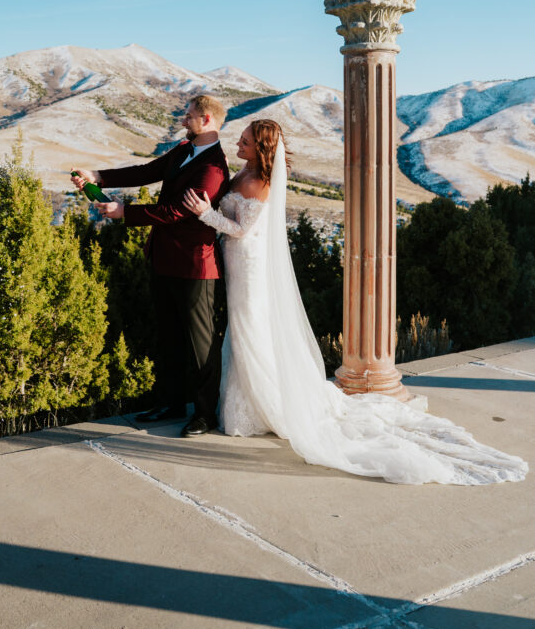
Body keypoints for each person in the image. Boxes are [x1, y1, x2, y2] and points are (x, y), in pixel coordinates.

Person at [182, 118, 528, 485]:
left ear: (263, 148)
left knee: (252, 330)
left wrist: (205, 214)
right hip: (237, 264)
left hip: (249, 267)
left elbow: (242, 229)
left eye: (247, 141)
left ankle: (267, 406)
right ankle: (247, 404)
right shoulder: (244, 173)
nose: (240, 143)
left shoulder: (262, 183)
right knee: (243, 330)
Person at [72, 94, 229, 438]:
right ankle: (170, 403)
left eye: (188, 116)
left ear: (205, 119)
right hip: (163, 258)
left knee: (201, 345)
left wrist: (124, 213)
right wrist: (96, 174)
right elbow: (146, 172)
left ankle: (205, 414)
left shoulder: (213, 167)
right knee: (169, 335)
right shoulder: (184, 150)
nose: (183, 120)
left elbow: (177, 211)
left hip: (196, 267)